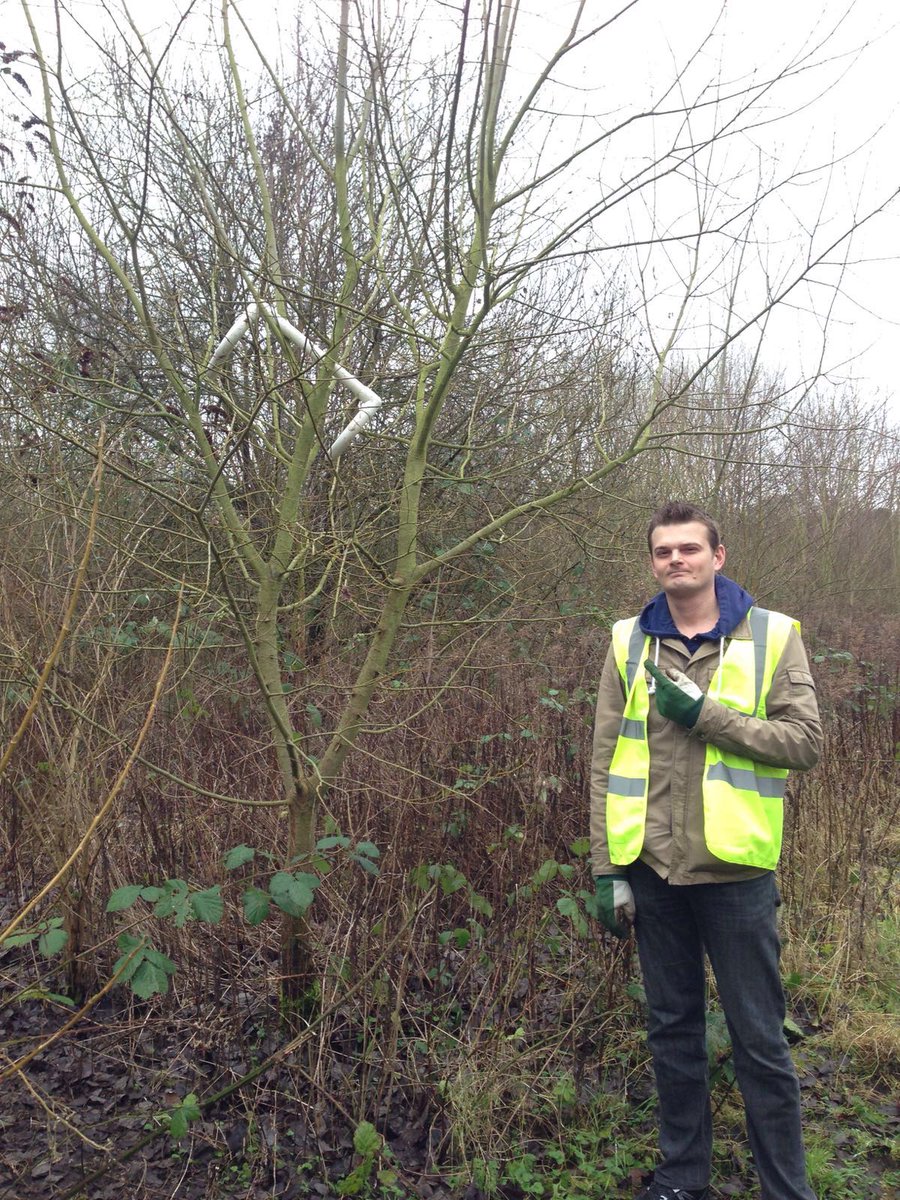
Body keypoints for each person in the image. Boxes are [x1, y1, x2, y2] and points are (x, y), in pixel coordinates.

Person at [588, 501, 822, 1200]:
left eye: (689, 548)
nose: (676, 560)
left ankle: (788, 1189)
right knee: (672, 1035)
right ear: (652, 562)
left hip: (736, 875)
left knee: (760, 1042)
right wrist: (606, 871)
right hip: (652, 871)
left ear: (718, 557)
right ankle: (682, 1180)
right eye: (664, 551)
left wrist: (707, 717)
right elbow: (604, 762)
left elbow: (806, 742)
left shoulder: (774, 636)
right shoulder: (628, 642)